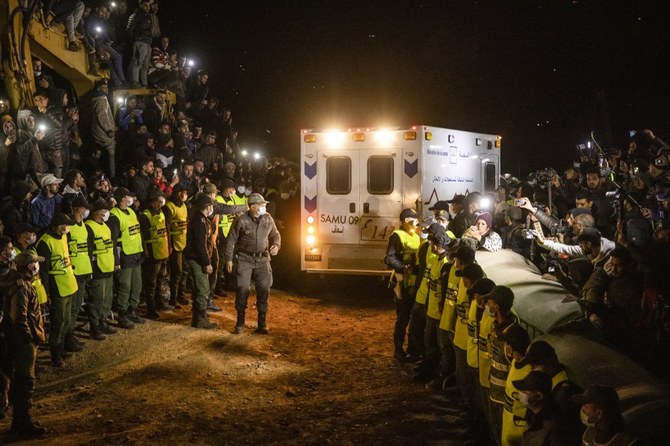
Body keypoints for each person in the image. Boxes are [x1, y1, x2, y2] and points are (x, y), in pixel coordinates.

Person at [1, 250, 47, 439]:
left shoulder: (15, 282)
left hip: (16, 340)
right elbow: (19, 317)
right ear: (29, 266)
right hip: (23, 342)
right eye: (35, 262)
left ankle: (20, 424)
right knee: (25, 383)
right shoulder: (22, 287)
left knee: (20, 383)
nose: (37, 265)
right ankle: (23, 425)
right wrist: (28, 339)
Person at [225, 193, 281, 334]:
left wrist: (276, 245)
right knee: (242, 288)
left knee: (264, 289)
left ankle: (262, 323)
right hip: (244, 259)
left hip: (262, 260)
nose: (264, 207)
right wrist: (229, 259)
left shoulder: (268, 218)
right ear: (253, 207)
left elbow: (275, 234)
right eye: (261, 205)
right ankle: (240, 322)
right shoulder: (241, 220)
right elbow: (231, 240)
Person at [35, 212, 79, 367]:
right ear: (59, 226)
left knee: (66, 320)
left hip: (69, 285)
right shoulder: (45, 242)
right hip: (57, 289)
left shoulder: (63, 237)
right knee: (58, 322)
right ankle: (55, 354)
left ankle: (61, 348)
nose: (68, 228)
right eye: (66, 225)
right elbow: (44, 271)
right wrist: (47, 292)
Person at [384, 208, 420, 361]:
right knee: (403, 317)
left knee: (415, 318)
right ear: (406, 221)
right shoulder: (397, 236)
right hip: (401, 282)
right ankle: (398, 350)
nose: (417, 222)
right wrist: (403, 267)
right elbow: (389, 258)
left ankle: (413, 349)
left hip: (414, 283)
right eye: (414, 219)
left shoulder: (416, 236)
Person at [108, 187, 145, 329]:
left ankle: (132, 310)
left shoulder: (131, 212)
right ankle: (122, 315)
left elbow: (137, 232)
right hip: (124, 256)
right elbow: (113, 240)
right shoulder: (114, 215)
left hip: (135, 254)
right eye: (129, 196)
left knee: (137, 285)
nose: (132, 199)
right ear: (123, 198)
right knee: (124, 286)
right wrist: (116, 260)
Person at [185, 194, 218, 329]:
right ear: (206, 206)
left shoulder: (200, 219)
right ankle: (200, 319)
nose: (212, 208)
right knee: (203, 289)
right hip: (197, 260)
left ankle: (199, 316)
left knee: (199, 288)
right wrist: (206, 262)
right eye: (211, 206)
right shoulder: (200, 221)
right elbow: (200, 244)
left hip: (196, 258)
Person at [64, 196, 92, 353]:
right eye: (84, 208)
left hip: (83, 270)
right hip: (73, 272)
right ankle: (67, 338)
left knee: (75, 308)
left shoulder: (83, 226)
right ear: (77, 209)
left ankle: (70, 335)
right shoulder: (68, 227)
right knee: (71, 308)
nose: (86, 211)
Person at [512, 371, 568, 446]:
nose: (520, 393)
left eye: (525, 391)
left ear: (539, 396)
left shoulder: (553, 427)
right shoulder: (532, 414)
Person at [139, 189, 171, 319]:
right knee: (151, 283)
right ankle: (150, 308)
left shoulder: (161, 213)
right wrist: (146, 252)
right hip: (152, 255)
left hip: (162, 252)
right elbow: (143, 236)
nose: (159, 204)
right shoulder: (146, 215)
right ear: (152, 201)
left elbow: (165, 231)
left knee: (160, 280)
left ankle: (160, 303)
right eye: (157, 201)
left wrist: (168, 247)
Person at [573, 385, 641, 446]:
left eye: (586, 406)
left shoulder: (628, 441)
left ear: (599, 413)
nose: (582, 408)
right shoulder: (589, 434)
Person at [163, 183, 189, 308]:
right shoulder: (169, 207)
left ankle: (181, 295)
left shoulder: (183, 205)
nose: (186, 195)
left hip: (183, 242)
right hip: (175, 244)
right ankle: (173, 298)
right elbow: (167, 228)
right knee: (176, 272)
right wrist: (169, 245)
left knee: (184, 270)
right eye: (184, 192)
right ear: (178, 193)